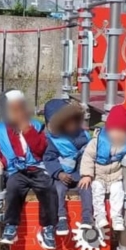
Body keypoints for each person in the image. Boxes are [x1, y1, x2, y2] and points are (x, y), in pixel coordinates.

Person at [0, 89, 58, 250]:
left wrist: (28, 131)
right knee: (13, 187)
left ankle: (48, 227)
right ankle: (11, 226)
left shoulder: (35, 126)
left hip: (36, 167)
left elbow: (41, 149)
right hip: (15, 170)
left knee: (48, 187)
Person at [79, 105, 126, 231]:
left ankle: (116, 217)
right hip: (99, 175)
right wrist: (86, 175)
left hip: (116, 176)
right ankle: (99, 215)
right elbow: (88, 156)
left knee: (118, 191)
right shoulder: (98, 141)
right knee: (96, 190)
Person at [42, 99, 93, 235]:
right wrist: (59, 174)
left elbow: (87, 155)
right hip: (62, 175)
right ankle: (61, 218)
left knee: (86, 188)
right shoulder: (52, 140)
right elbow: (49, 158)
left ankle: (87, 218)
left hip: (79, 173)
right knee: (58, 189)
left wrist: (86, 174)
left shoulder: (82, 136)